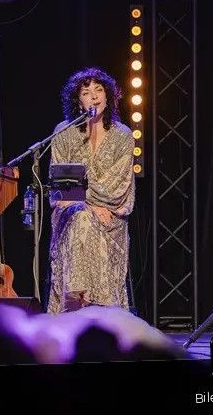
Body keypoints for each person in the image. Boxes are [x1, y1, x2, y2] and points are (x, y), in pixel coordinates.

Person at [47, 67, 135, 313]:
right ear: (78, 101)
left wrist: (85, 198)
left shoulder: (122, 136)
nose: (94, 96)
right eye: (86, 92)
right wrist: (89, 205)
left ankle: (82, 303)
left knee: (84, 218)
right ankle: (81, 303)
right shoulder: (64, 132)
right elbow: (61, 185)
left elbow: (116, 188)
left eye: (99, 90)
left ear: (108, 96)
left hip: (111, 216)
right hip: (71, 214)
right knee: (81, 218)